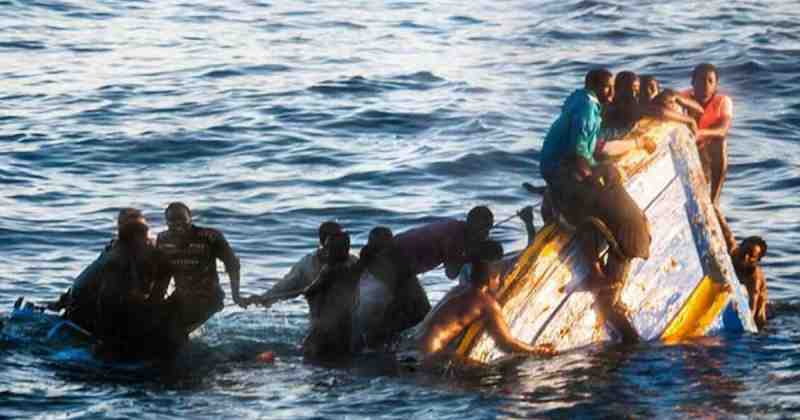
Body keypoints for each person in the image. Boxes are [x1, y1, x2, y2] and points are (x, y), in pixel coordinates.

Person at [539, 68, 652, 343]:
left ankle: (601, 281)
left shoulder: (581, 103)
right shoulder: (587, 106)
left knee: (594, 208)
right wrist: (594, 180)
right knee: (590, 212)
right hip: (561, 173)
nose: (612, 93)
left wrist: (635, 143)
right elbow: (580, 155)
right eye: (607, 87)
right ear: (594, 86)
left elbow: (596, 147)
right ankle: (596, 275)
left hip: (558, 170)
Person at [415, 240, 555, 368]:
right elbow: (506, 343)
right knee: (485, 373)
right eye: (500, 276)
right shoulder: (486, 303)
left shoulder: (457, 290)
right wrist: (537, 350)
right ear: (492, 277)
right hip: (431, 357)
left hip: (411, 348)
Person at [92, 208, 179, 360]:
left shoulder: (154, 254)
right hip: (119, 316)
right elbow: (109, 297)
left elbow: (163, 281)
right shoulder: (115, 257)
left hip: (141, 310)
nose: (147, 241)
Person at [156, 202, 243, 336]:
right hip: (181, 297)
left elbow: (232, 264)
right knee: (155, 324)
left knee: (176, 332)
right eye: (172, 221)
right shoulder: (162, 239)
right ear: (166, 222)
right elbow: (163, 274)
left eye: (182, 219)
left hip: (209, 297)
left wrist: (236, 296)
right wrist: (156, 302)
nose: (178, 225)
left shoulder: (210, 237)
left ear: (190, 218)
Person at [241, 221, 356, 308]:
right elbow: (284, 287)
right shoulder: (307, 265)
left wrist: (264, 298)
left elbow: (297, 290)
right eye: (337, 240)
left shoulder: (354, 263)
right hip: (321, 325)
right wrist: (263, 298)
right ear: (324, 242)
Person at [351, 226, 430, 352]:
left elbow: (403, 295)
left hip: (411, 309)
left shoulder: (396, 260)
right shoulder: (372, 258)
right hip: (411, 310)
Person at [300, 231, 361, 362]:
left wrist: (306, 290)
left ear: (333, 250)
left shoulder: (329, 269)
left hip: (326, 326)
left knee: (313, 358)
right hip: (346, 325)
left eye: (327, 247)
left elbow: (310, 291)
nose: (324, 250)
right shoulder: (353, 267)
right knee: (342, 358)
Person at [394, 205, 494, 280]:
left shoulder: (455, 227)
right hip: (394, 259)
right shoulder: (454, 236)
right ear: (470, 223)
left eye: (488, 230)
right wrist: (473, 256)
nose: (486, 235)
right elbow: (451, 273)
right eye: (483, 229)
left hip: (400, 260)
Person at [681, 63, 733, 207]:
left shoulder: (723, 101)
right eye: (701, 79)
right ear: (692, 82)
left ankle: (714, 200)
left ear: (716, 85)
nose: (705, 84)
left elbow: (723, 129)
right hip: (686, 148)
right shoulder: (682, 98)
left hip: (707, 152)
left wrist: (700, 134)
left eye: (710, 81)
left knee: (720, 142)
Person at [731, 236, 768, 330]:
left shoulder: (754, 276)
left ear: (757, 260)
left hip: (758, 319)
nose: (746, 257)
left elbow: (752, 307)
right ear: (740, 247)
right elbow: (724, 228)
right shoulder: (732, 252)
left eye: (751, 255)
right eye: (744, 252)